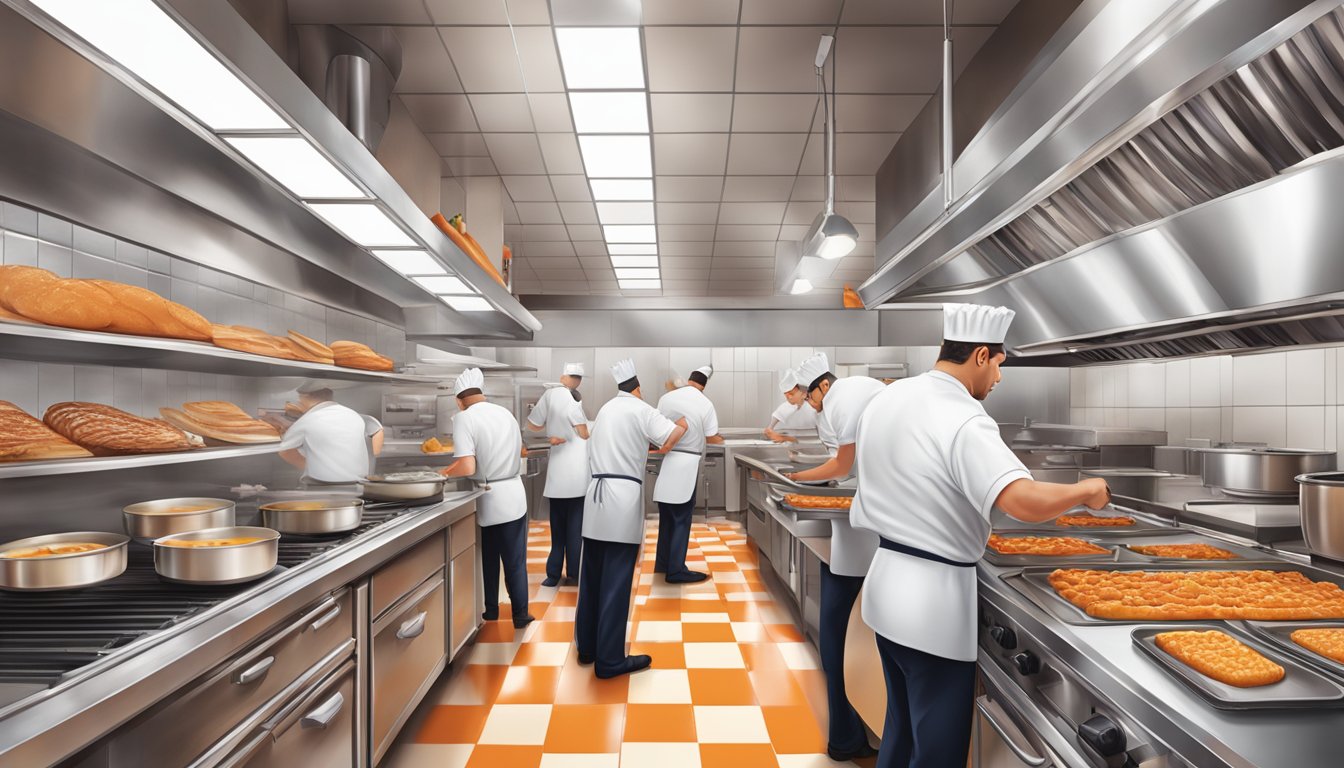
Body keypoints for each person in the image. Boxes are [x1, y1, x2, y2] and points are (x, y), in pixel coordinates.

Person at [853, 304, 1111, 768]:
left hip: (886, 589)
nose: (998, 377)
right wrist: (1086, 489)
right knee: (937, 753)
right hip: (931, 608)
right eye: (998, 364)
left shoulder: (890, 398)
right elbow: (1022, 500)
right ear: (979, 355)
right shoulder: (963, 416)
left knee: (901, 736)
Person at [784, 352, 884, 762]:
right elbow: (842, 464)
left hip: (867, 529)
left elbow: (842, 465)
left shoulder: (845, 396)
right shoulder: (843, 397)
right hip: (863, 529)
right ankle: (847, 734)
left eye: (809, 396)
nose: (808, 403)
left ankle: (851, 733)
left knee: (841, 633)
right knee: (842, 632)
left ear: (823, 385)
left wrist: (795, 477)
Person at [577, 358, 687, 678]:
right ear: (637, 388)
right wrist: (682, 421)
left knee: (592, 576)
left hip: (594, 495)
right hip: (621, 500)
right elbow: (670, 435)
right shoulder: (641, 409)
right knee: (616, 580)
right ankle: (610, 661)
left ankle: (588, 647)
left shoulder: (606, 411)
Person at [440, 368, 534, 629]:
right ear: (481, 393)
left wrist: (443, 474)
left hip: (488, 496)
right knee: (515, 560)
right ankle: (520, 614)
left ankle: (491, 610)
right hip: (514, 493)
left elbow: (467, 466)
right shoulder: (506, 414)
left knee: (489, 556)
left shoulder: (464, 418)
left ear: (459, 400)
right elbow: (522, 451)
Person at [653, 365, 724, 584]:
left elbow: (658, 427)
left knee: (667, 517)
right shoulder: (705, 403)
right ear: (703, 385)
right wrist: (722, 440)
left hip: (669, 460)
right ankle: (676, 570)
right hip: (688, 462)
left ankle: (663, 564)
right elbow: (712, 437)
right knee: (682, 518)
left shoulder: (667, 398)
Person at [526, 362, 591, 587]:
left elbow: (532, 425)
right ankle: (574, 572)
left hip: (558, 475)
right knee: (575, 528)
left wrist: (550, 433)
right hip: (578, 474)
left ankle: (553, 575)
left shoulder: (550, 395)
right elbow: (583, 433)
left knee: (558, 528)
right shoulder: (572, 402)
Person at [278, 381, 383, 484]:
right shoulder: (353, 415)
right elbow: (376, 428)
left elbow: (285, 451)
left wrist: (312, 467)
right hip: (359, 484)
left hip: (323, 486)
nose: (299, 402)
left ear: (305, 397)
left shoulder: (308, 419)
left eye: (300, 398)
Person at [764, 368, 817, 442]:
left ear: (804, 394)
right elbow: (776, 419)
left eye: (792, 394)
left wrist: (784, 438)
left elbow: (815, 439)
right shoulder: (785, 407)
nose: (789, 397)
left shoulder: (813, 410)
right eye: (786, 394)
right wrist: (770, 429)